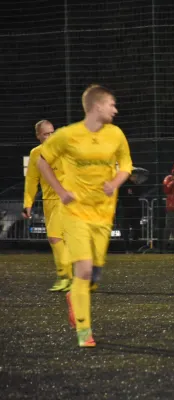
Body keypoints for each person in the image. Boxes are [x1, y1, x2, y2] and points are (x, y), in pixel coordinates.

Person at [37, 84, 132, 347]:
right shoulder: (68, 135)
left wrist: (115, 183)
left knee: (92, 279)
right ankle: (84, 331)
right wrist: (61, 190)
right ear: (97, 106)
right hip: (75, 213)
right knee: (84, 269)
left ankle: (75, 297)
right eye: (112, 104)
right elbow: (41, 161)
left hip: (103, 216)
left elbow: (126, 164)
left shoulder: (116, 134)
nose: (115, 109)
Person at [22, 120, 72, 291]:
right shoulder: (36, 154)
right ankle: (71, 276)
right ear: (38, 136)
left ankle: (65, 276)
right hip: (48, 202)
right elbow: (31, 181)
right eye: (46, 134)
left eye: (52, 132)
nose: (50, 136)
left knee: (54, 236)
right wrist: (27, 203)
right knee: (60, 239)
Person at [119, 168, 145, 253]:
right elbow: (122, 196)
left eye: (136, 176)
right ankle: (127, 248)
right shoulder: (123, 184)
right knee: (125, 230)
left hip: (134, 210)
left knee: (136, 229)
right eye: (134, 175)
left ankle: (133, 247)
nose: (136, 177)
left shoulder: (136, 185)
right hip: (125, 210)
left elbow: (139, 195)